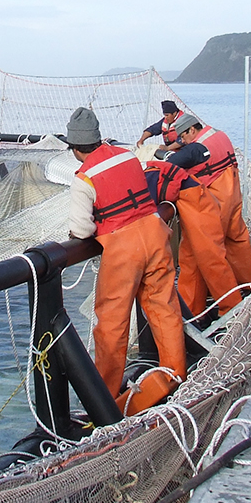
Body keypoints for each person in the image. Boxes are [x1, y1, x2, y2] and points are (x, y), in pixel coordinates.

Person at [66, 107, 186, 415]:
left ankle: (104, 401)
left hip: (123, 248)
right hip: (155, 234)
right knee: (164, 309)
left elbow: (81, 230)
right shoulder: (127, 156)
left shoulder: (84, 178)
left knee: (112, 325)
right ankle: (175, 376)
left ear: (75, 147)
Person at [143, 154, 242, 319]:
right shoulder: (138, 174)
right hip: (187, 196)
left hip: (197, 198)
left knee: (210, 256)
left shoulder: (139, 182)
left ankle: (234, 309)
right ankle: (192, 311)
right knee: (189, 259)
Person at [165, 112, 251, 288]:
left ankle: (203, 302)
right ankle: (247, 286)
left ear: (192, 130)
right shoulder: (219, 134)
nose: (183, 142)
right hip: (233, 198)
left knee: (197, 252)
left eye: (183, 137)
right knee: (237, 240)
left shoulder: (196, 148)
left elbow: (171, 163)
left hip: (214, 203)